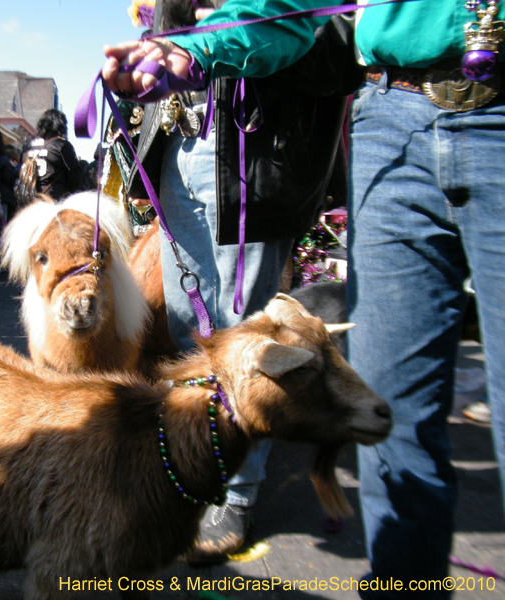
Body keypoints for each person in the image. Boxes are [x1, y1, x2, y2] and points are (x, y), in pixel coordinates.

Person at [104, 0, 505, 596]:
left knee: (245, 329)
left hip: (261, 144)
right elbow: (278, 9)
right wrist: (187, 46)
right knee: (390, 409)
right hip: (385, 111)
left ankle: (233, 493)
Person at [102, 0, 294, 564]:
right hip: (180, 149)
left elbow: (288, 24)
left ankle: (237, 490)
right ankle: (190, 463)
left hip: (248, 140)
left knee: (242, 328)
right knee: (188, 328)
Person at [22, 108, 84, 201]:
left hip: (28, 199)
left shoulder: (27, 146)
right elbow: (75, 179)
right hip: (52, 200)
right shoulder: (62, 145)